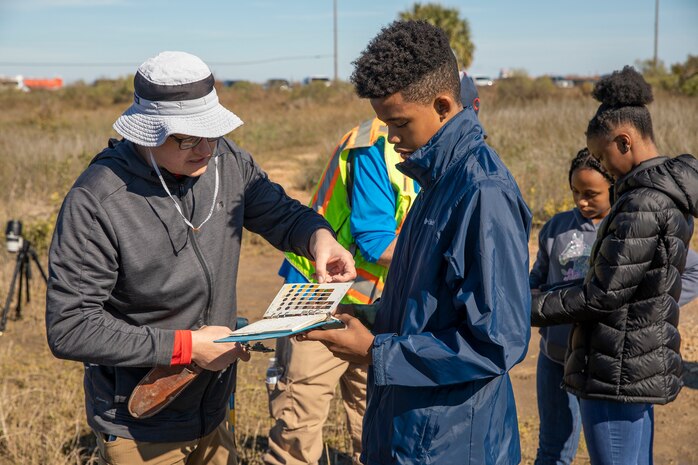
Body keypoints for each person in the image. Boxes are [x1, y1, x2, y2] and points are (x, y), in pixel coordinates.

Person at [45, 51, 355, 465]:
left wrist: (318, 239)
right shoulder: (98, 200)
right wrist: (186, 346)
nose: (206, 149)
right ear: (148, 132)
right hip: (140, 420)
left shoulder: (227, 162)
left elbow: (280, 212)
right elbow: (71, 326)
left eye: (212, 132)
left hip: (213, 405)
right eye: (188, 138)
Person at [301, 20, 533, 464]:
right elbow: (426, 306)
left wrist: (374, 350)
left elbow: (497, 342)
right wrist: (364, 315)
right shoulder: (435, 179)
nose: (391, 137)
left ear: (444, 105)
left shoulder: (482, 192)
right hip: (408, 426)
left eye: (399, 122)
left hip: (449, 440)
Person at [264, 74, 482, 465]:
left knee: (375, 420)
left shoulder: (443, 158)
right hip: (321, 298)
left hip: (381, 305)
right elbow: (376, 241)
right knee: (299, 421)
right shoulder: (374, 146)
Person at [531, 66, 698, 465]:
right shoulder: (663, 195)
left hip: (615, 369)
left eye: (604, 158)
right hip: (632, 361)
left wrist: (526, 306)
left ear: (624, 141)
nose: (604, 170)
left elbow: (601, 294)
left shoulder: (642, 203)